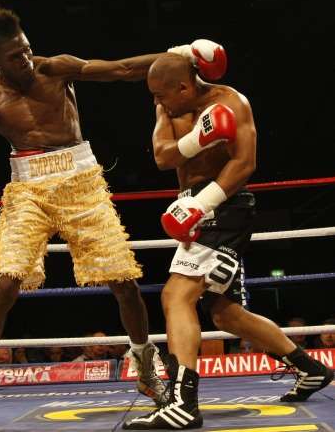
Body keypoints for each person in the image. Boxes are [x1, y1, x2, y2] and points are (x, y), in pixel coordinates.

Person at [0, 8, 233, 432]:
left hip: (82, 181)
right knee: (5, 281)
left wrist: (179, 53)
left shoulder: (55, 69)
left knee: (125, 283)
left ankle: (146, 368)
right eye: (13, 57)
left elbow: (121, 69)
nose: (25, 61)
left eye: (26, 50)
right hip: (27, 189)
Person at [123, 49, 334, 429]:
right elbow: (162, 156)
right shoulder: (169, 107)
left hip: (224, 205)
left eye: (161, 95)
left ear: (185, 86)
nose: (156, 102)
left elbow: (245, 163)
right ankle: (309, 368)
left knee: (176, 295)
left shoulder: (231, 103)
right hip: (192, 206)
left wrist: (203, 203)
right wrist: (194, 139)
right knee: (225, 313)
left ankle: (183, 403)